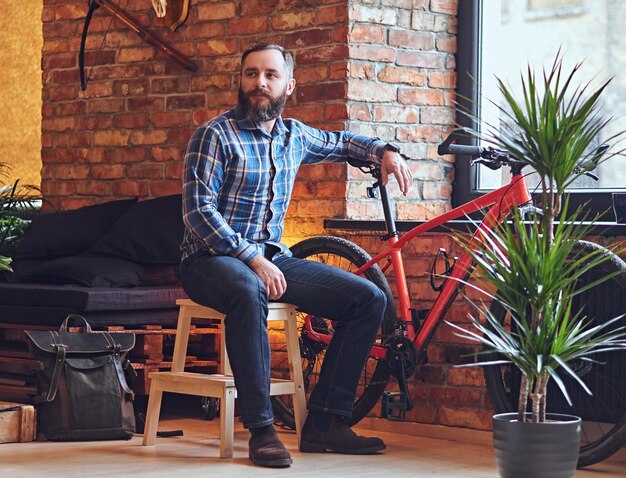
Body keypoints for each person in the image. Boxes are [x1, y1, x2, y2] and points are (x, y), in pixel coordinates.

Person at [180, 43, 413, 468]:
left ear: (289, 84)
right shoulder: (214, 134)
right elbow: (199, 211)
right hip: (209, 260)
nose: (259, 83)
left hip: (273, 257)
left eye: (269, 75)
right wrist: (251, 257)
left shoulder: (294, 136)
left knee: (368, 300)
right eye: (251, 74)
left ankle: (326, 421)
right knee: (249, 290)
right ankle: (262, 429)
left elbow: (342, 142)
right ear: (241, 80)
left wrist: (383, 151)